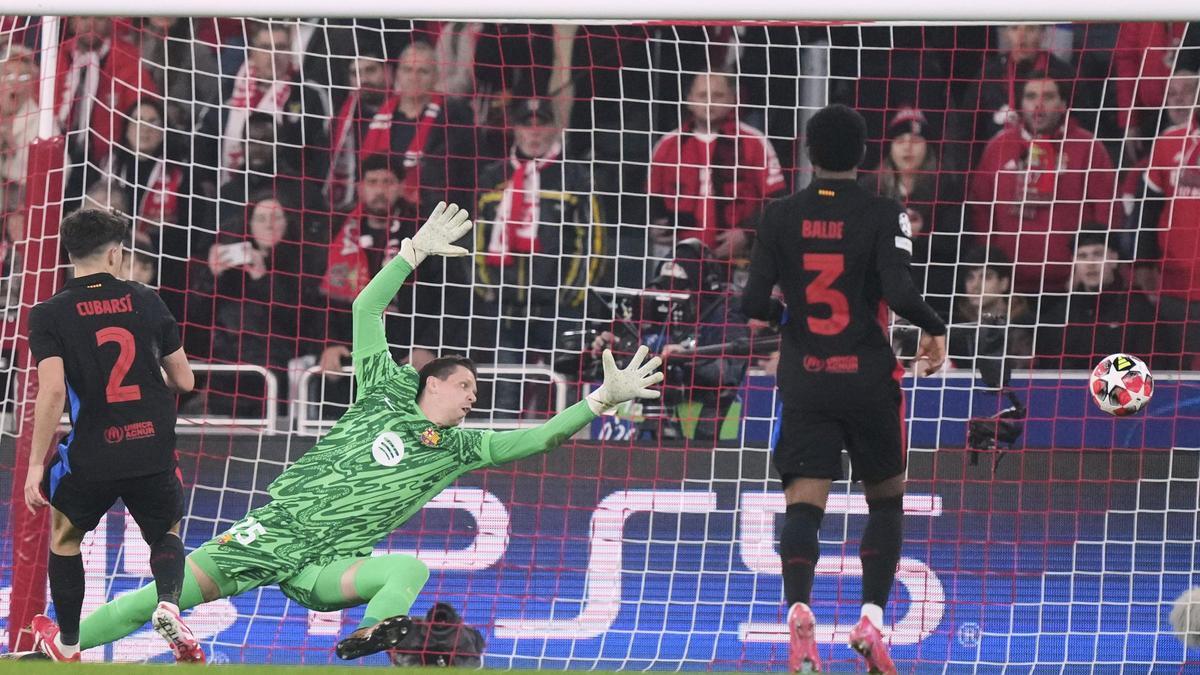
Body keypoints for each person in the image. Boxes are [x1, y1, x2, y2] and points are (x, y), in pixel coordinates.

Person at [24, 202, 663, 663]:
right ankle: (56, 643)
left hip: (327, 568)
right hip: (278, 532)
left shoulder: (464, 447)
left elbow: (541, 439)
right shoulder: (384, 389)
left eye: (476, 392)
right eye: (465, 385)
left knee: (407, 568)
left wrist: (600, 399)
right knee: (157, 599)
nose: (474, 398)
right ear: (429, 382)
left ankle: (371, 636)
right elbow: (365, 308)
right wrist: (409, 255)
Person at [741, 104, 947, 674]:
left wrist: (788, 303)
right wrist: (935, 326)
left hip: (806, 381)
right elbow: (900, 292)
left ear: (808, 152)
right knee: (885, 499)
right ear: (863, 154)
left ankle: (799, 612)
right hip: (869, 381)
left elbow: (752, 304)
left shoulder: (779, 216)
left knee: (804, 506)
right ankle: (871, 620)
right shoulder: (886, 212)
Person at [21, 209, 196, 662]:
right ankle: (169, 604)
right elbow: (185, 381)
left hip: (94, 452)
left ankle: (69, 645)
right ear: (117, 254)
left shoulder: (48, 314)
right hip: (151, 444)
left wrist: (36, 464)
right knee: (165, 533)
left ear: (68, 253)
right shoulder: (148, 299)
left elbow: (54, 390)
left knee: (64, 538)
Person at [966, 68, 1117, 294]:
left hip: (1072, 285)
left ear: (1063, 104)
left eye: (1048, 97)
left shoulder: (1088, 147)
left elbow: (1107, 211)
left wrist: (1089, 267)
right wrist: (992, 270)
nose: (1038, 104)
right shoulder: (998, 147)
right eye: (1030, 97)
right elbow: (981, 212)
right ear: (1020, 104)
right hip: (1010, 286)